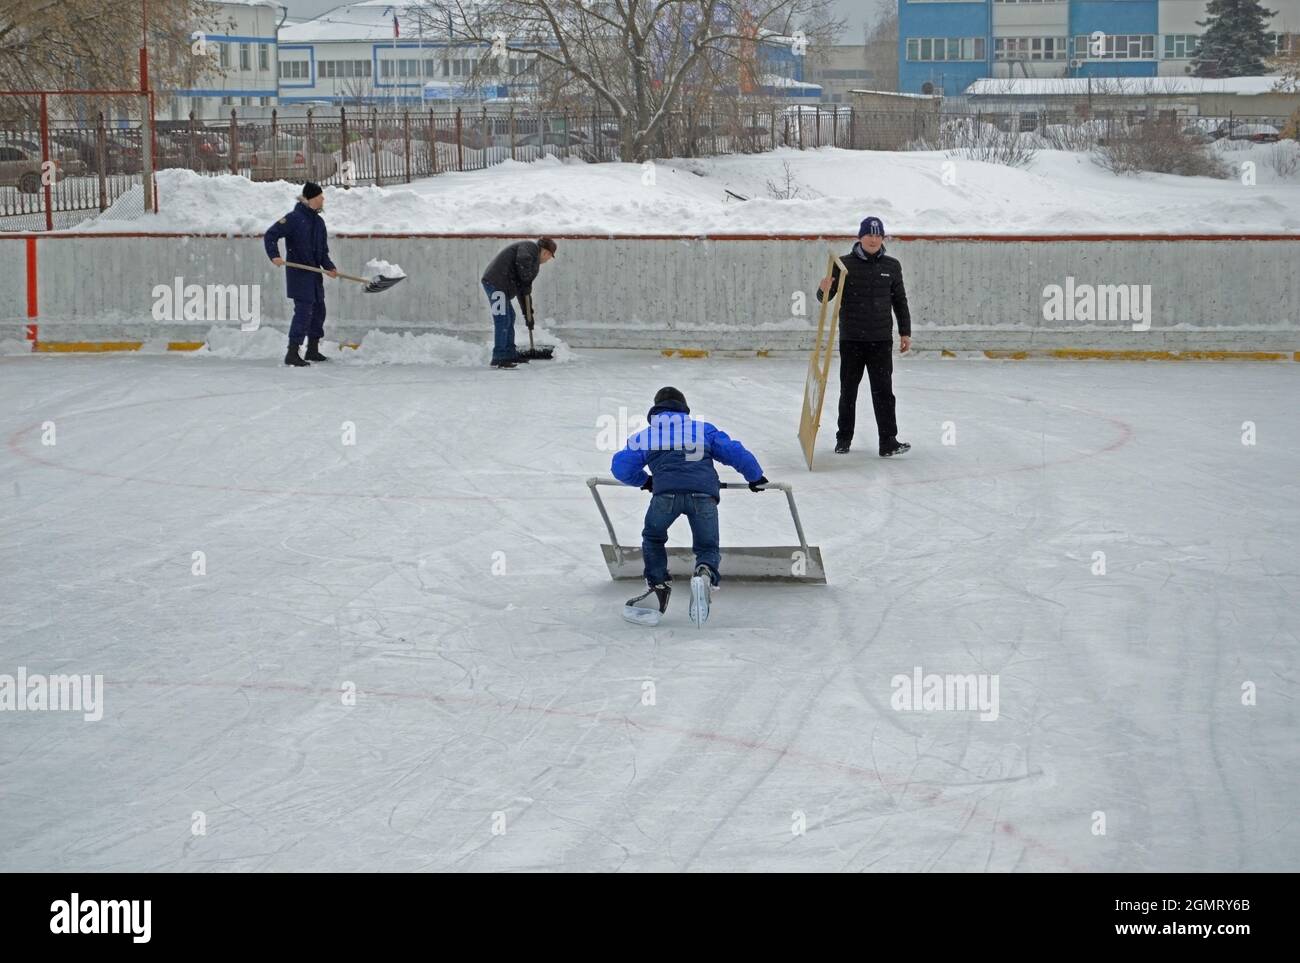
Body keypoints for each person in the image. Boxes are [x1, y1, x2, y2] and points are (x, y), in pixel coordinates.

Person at [611, 386, 768, 619]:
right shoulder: (702, 430)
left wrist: (645, 481)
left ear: (656, 409)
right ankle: (704, 573)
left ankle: (658, 585)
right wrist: (755, 477)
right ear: (683, 409)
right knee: (707, 547)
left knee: (653, 538)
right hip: (703, 496)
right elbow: (735, 451)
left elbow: (620, 467)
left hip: (666, 497)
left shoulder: (646, 435)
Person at [817, 216, 912, 457]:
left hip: (880, 340)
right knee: (848, 390)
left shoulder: (892, 266)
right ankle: (843, 438)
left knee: (884, 392)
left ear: (882, 238)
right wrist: (823, 288)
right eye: (869, 235)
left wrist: (905, 332)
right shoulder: (843, 264)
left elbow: (900, 301)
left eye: (878, 235)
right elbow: (824, 299)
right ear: (860, 237)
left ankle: (888, 441)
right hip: (852, 340)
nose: (873, 239)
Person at [264, 182, 337, 367]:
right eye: (320, 196)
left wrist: (329, 267)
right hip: (299, 273)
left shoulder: (319, 223)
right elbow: (270, 235)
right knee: (304, 312)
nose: (323, 199)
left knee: (319, 310)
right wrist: (275, 256)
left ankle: (312, 349)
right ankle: (292, 352)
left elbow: (322, 253)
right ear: (312, 198)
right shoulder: (294, 218)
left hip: (314, 275)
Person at [480, 237, 557, 369]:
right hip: (495, 283)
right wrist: (526, 279)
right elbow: (522, 260)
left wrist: (528, 315)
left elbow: (524, 292)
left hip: (501, 286)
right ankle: (499, 357)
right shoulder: (530, 248)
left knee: (510, 317)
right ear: (546, 252)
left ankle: (509, 354)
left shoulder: (532, 265)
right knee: (502, 319)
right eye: (550, 256)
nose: (548, 260)